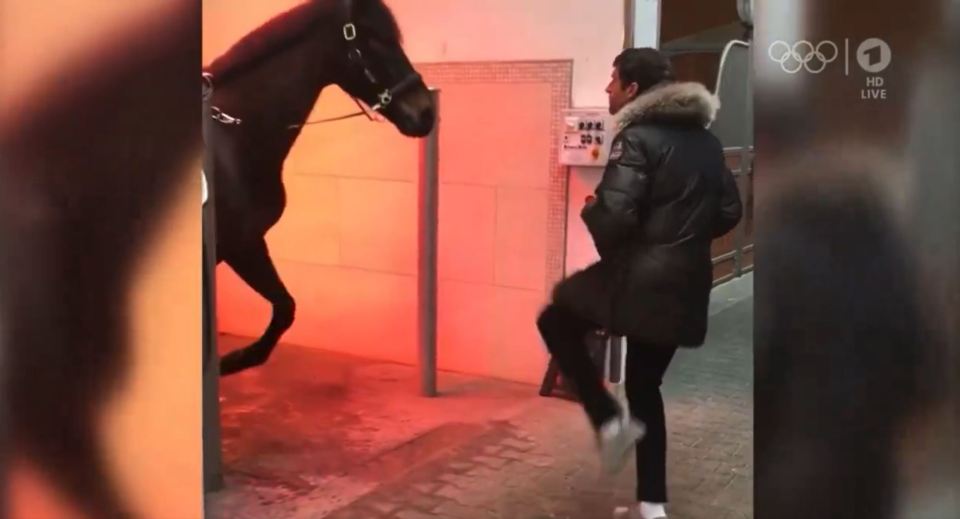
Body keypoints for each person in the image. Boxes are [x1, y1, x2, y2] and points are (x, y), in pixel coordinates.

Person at [537, 47, 742, 519]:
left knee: (555, 319)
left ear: (632, 89)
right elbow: (730, 211)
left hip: (638, 279)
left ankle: (608, 421)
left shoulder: (636, 138)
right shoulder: (708, 143)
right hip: (687, 282)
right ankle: (653, 506)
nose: (607, 88)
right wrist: (681, 239)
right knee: (646, 387)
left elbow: (614, 217)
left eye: (613, 80)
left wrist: (593, 208)